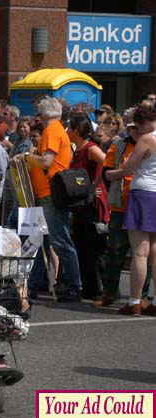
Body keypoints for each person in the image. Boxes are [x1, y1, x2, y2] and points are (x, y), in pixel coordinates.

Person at [13, 96, 82, 302]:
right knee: (39, 240)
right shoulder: (56, 130)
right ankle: (37, 282)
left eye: (38, 114)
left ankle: (73, 285)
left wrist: (26, 157)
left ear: (44, 114)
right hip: (45, 193)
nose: (37, 118)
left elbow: (46, 162)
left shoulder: (52, 130)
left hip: (49, 193)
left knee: (59, 241)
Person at [95, 122, 152, 310]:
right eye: (133, 128)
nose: (137, 132)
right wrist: (115, 174)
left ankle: (140, 297)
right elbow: (106, 171)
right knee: (115, 252)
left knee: (144, 254)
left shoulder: (149, 142)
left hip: (142, 203)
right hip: (121, 205)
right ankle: (109, 294)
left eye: (139, 128)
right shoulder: (119, 145)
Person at [113, 104, 156, 315]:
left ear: (143, 122)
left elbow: (128, 168)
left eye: (138, 126)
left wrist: (108, 176)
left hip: (143, 193)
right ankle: (154, 301)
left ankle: (134, 302)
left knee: (140, 252)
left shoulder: (147, 139)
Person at [67, 113, 108, 300]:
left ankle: (103, 289)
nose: (67, 131)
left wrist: (97, 185)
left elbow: (107, 162)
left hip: (93, 204)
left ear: (76, 130)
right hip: (81, 205)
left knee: (95, 249)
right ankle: (90, 289)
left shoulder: (91, 149)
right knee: (82, 247)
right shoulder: (77, 149)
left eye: (69, 128)